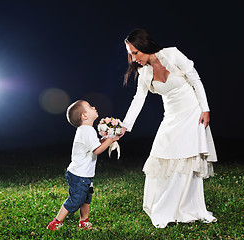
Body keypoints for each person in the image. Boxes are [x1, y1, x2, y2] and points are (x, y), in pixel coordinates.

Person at [119, 29, 218, 228]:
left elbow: (195, 79)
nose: (133, 58)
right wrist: (124, 127)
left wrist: (205, 109)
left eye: (135, 52)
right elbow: (138, 100)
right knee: (162, 154)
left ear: (145, 46)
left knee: (187, 157)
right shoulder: (144, 72)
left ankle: (187, 208)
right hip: (171, 116)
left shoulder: (172, 54)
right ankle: (164, 207)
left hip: (192, 112)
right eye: (130, 53)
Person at [47, 100, 119, 230]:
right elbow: (97, 150)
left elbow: (95, 144)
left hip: (84, 174)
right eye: (90, 107)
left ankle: (83, 221)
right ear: (84, 116)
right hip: (79, 175)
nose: (94, 107)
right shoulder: (87, 130)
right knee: (76, 199)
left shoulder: (86, 130)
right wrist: (109, 140)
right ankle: (56, 222)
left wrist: (105, 140)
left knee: (86, 198)